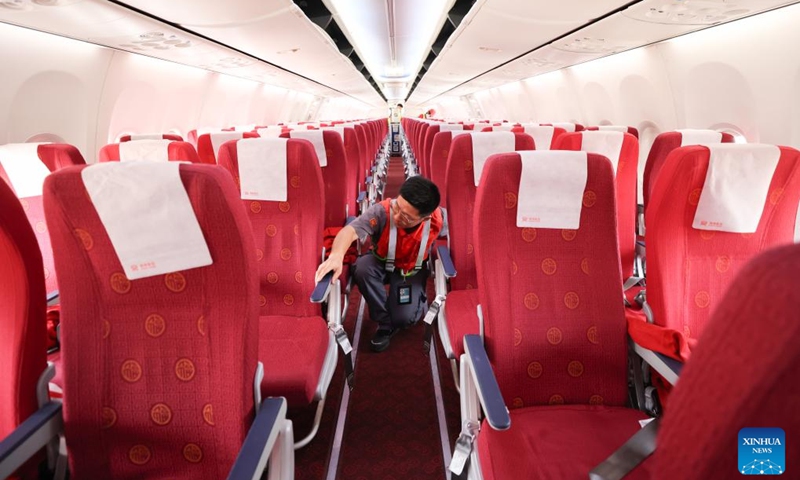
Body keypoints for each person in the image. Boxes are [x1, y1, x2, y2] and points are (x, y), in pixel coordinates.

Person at [315, 176, 446, 352]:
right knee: (362, 267)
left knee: (405, 320)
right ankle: (384, 322)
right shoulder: (382, 211)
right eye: (397, 207)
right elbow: (350, 231)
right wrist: (336, 256)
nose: (397, 216)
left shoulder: (439, 220)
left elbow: (463, 234)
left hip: (410, 270)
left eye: (406, 217)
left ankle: (410, 305)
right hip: (381, 260)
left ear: (425, 217)